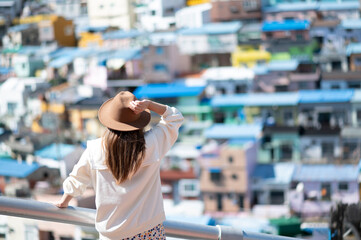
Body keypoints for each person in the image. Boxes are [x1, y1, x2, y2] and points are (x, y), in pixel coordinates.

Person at [55, 91, 184, 240]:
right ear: (139, 120)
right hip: (149, 230)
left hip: (112, 234)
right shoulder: (153, 142)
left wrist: (63, 202)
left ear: (109, 121)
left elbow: (77, 180)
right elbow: (175, 117)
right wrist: (149, 104)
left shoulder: (95, 150)